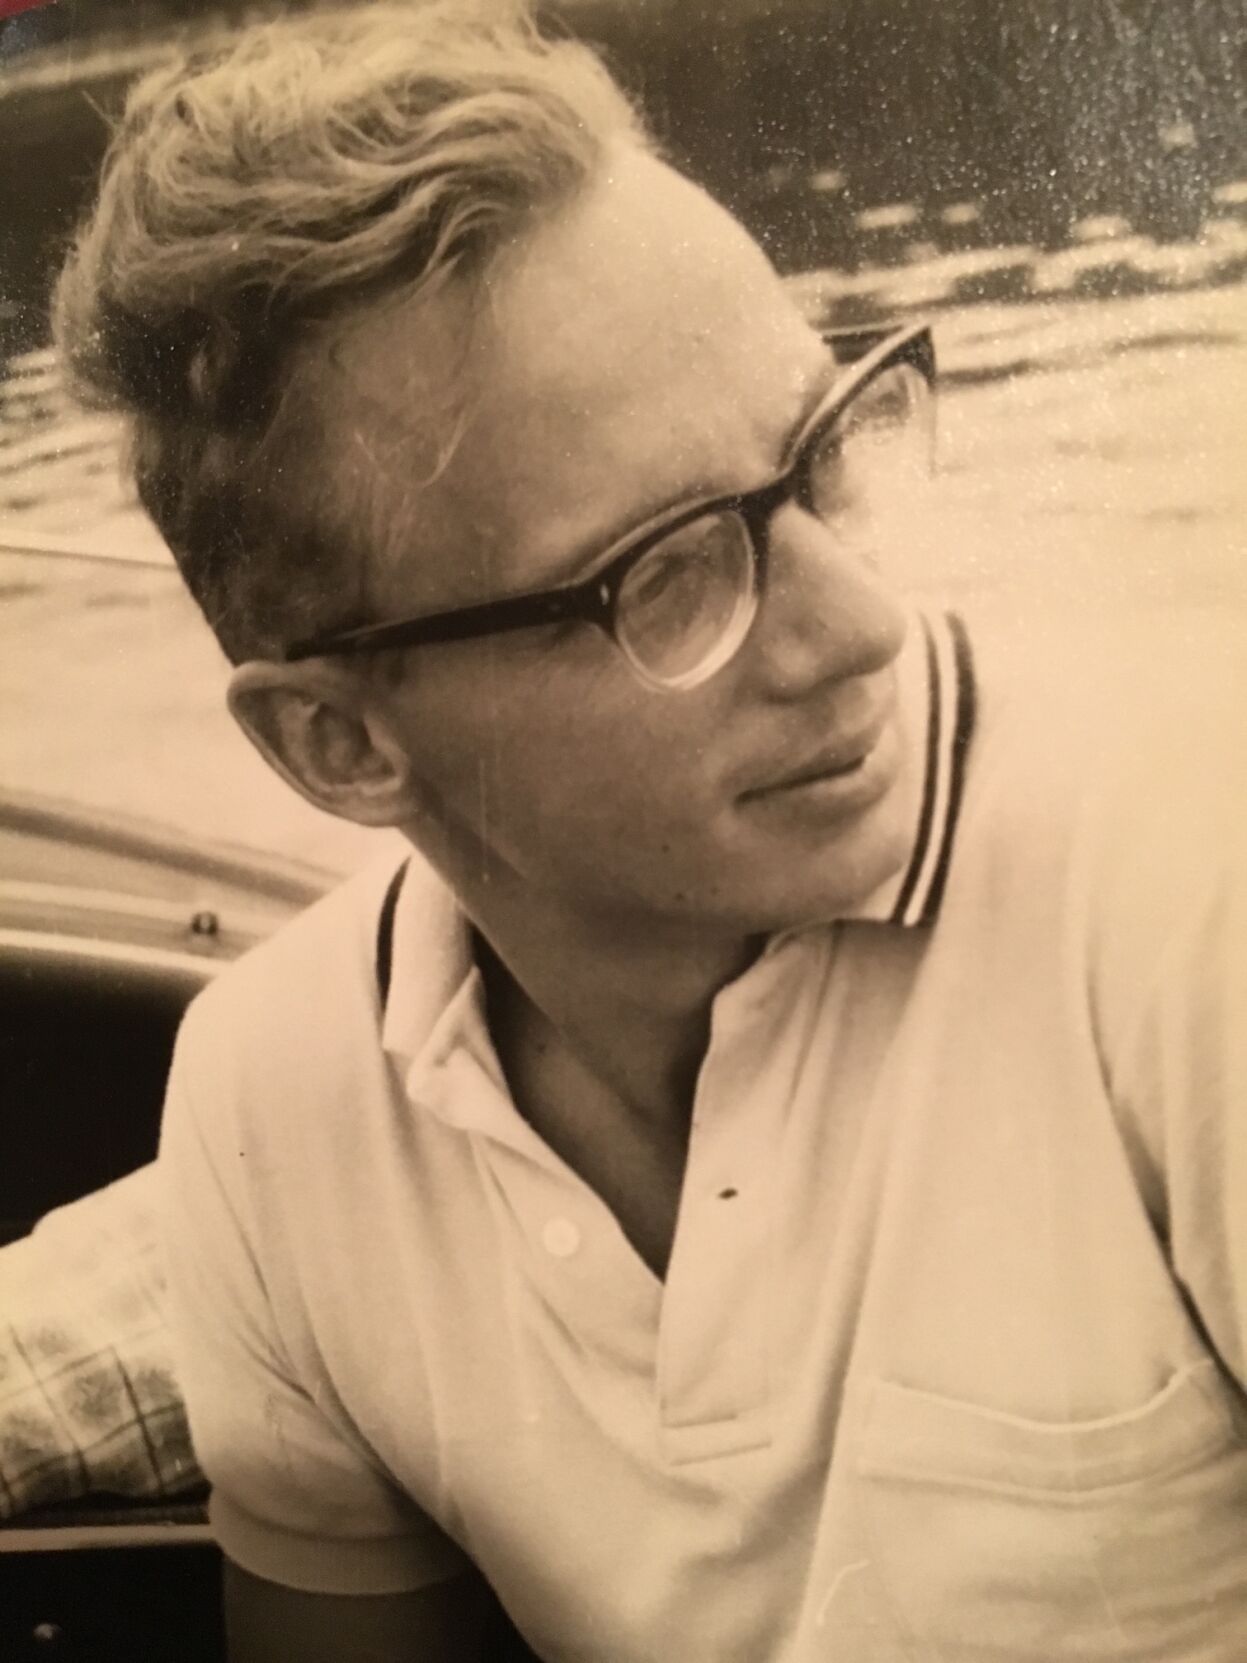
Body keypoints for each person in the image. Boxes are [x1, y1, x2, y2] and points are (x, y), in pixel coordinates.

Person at [53, 2, 1247, 1658]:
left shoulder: (1185, 896)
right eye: (668, 574)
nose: (862, 627)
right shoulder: (272, 1106)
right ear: (342, 744)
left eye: (822, 454)